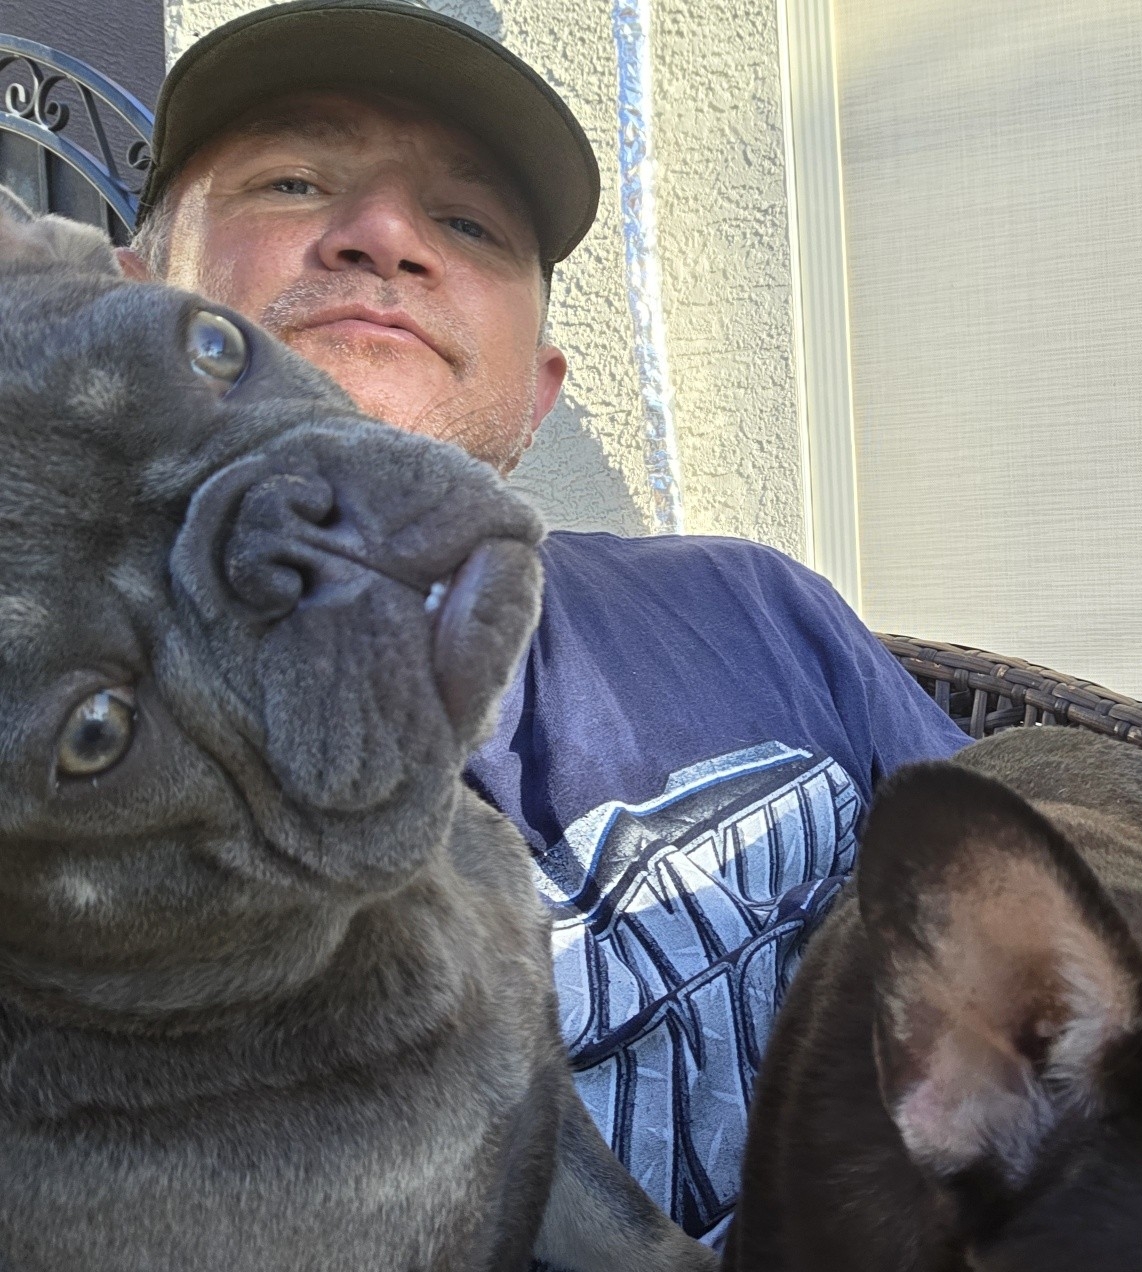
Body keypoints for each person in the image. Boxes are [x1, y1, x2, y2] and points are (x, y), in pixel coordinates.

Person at [121, 0, 969, 1248]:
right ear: (129, 309)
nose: (384, 235)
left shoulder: (759, 605)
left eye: (467, 223)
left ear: (536, 394)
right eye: (294, 182)